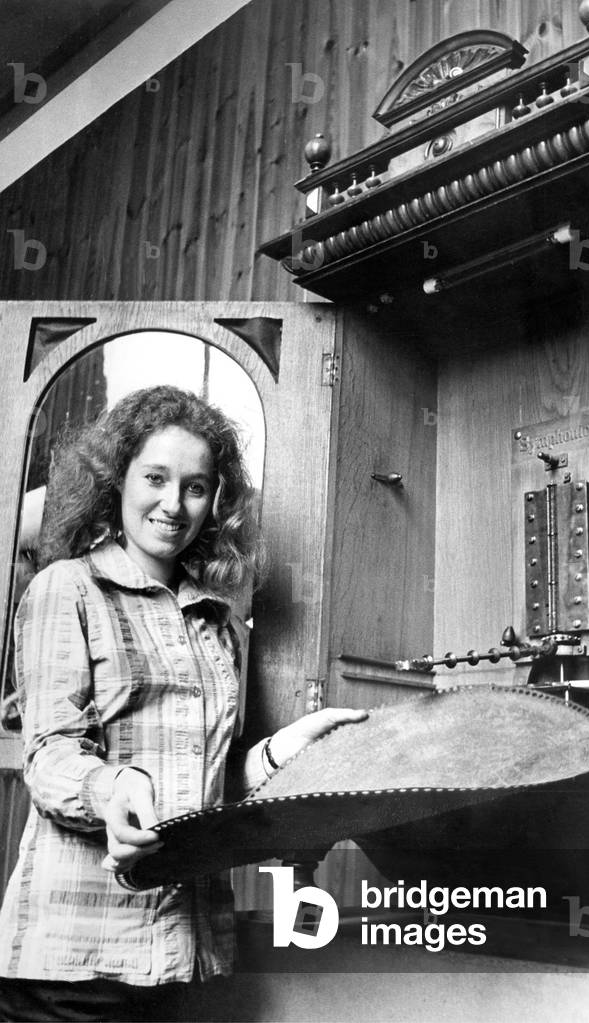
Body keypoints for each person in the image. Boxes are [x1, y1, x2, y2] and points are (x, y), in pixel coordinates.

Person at [0, 385, 366, 1022]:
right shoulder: (70, 588)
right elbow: (49, 754)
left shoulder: (214, 620)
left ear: (214, 501)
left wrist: (284, 750)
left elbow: (208, 782)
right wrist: (110, 788)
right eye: (155, 478)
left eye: (195, 486)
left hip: (183, 952)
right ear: (117, 481)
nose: (173, 504)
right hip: (74, 962)